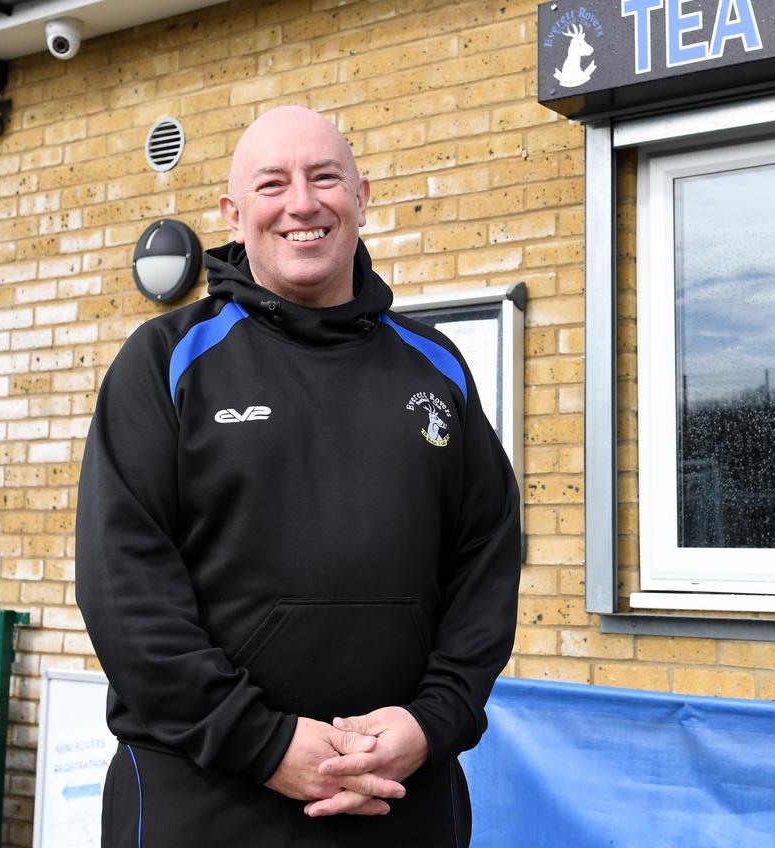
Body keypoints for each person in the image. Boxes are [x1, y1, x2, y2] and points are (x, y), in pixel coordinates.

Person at [75, 105, 522, 847]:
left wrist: (431, 720)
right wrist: (263, 743)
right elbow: (125, 587)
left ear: (363, 196)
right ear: (233, 211)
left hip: (400, 793)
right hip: (206, 798)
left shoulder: (435, 367)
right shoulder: (165, 363)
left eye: (325, 178)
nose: (303, 203)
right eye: (273, 183)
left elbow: (487, 560)